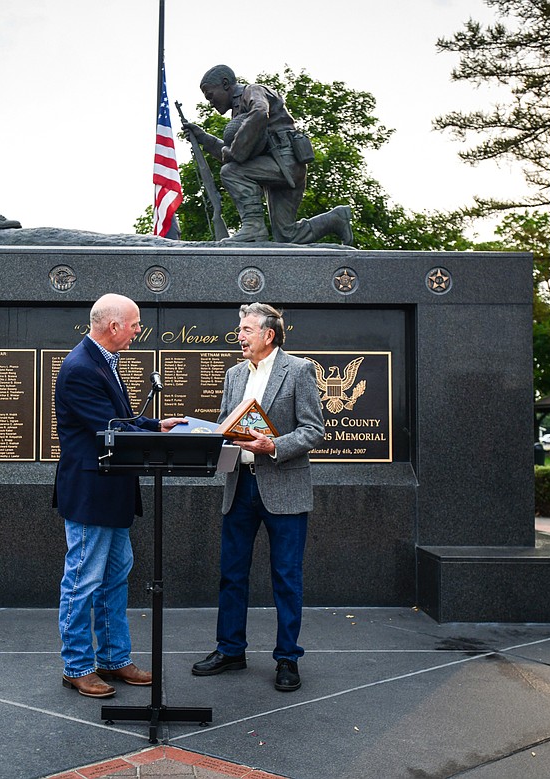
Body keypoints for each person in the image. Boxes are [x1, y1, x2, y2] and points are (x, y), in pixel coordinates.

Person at [53, 293, 185, 697]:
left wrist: (155, 426)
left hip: (112, 491)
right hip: (92, 493)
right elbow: (107, 429)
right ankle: (76, 666)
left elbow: (119, 419)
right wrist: (152, 435)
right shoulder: (80, 368)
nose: (138, 331)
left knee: (114, 577)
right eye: (134, 324)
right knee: (83, 579)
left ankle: (113, 659)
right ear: (113, 327)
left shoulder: (101, 361)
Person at [191, 303, 325, 691]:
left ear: (269, 335)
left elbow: (314, 431)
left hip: (284, 486)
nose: (240, 335)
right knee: (231, 574)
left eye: (247, 329)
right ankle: (230, 650)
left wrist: (274, 445)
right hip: (239, 485)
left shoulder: (299, 370)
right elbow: (224, 422)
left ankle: (287, 659)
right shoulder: (234, 374)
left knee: (286, 577)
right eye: (240, 328)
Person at [180, 64, 353, 246]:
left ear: (225, 84)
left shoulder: (253, 91)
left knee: (231, 171)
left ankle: (253, 228)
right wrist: (204, 138)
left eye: (210, 95)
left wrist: (234, 152)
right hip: (276, 166)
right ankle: (335, 219)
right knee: (287, 236)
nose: (211, 102)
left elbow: (260, 113)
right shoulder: (238, 112)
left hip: (285, 162)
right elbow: (233, 153)